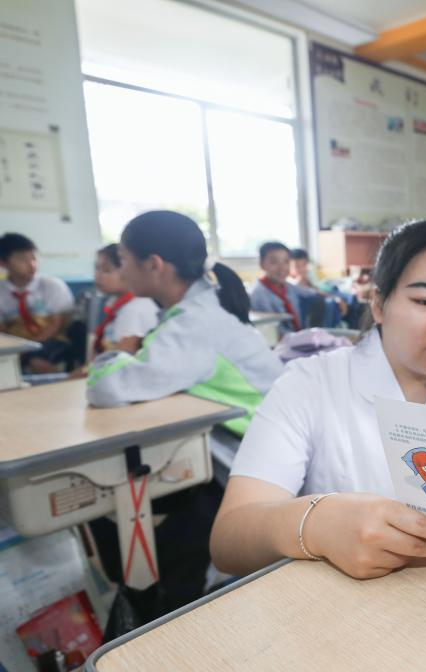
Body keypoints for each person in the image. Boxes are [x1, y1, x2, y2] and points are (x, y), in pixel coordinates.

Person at [211, 220, 426, 579]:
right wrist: (316, 523)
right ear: (378, 304)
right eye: (425, 300)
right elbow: (228, 541)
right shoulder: (310, 384)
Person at [85, 210, 284, 620]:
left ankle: (168, 613)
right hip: (243, 450)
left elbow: (109, 388)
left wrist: (113, 358)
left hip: (264, 466)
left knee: (145, 522)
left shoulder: (194, 324)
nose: (122, 270)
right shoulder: (194, 312)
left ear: (154, 265)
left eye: (124, 260)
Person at [0, 232, 75, 373]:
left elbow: (55, 325)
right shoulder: (2, 293)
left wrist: (27, 349)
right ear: (3, 263)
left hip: (50, 341)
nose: (32, 264)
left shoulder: (52, 286)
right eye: (23, 259)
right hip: (15, 345)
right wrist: (15, 350)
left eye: (34, 257)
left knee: (37, 361)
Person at [90, 243, 159, 357]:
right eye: (96, 268)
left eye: (106, 270)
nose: (98, 276)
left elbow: (119, 359)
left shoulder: (134, 310)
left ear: (126, 270)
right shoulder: (115, 303)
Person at [250, 242, 318, 334]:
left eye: (286, 262)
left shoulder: (288, 287)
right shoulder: (258, 294)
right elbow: (271, 332)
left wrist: (334, 298)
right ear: (262, 265)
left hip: (296, 335)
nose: (282, 268)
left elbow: (310, 292)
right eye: (274, 262)